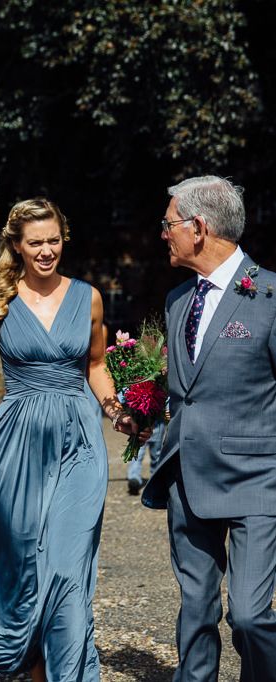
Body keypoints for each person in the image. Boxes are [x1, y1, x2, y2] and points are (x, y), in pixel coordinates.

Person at [0, 199, 141, 681]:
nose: (46, 251)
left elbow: (96, 366)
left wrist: (117, 410)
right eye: (35, 242)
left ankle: (70, 672)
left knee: (65, 563)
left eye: (53, 240)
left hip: (79, 439)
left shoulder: (89, 297)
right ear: (16, 245)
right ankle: (35, 667)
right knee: (21, 565)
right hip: (16, 445)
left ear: (64, 238)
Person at [143, 176, 276, 681]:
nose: (163, 234)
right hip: (187, 475)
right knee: (196, 611)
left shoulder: (270, 295)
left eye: (169, 224)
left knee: (249, 614)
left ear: (198, 227)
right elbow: (187, 390)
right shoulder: (179, 299)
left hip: (257, 480)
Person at [127, 420, 165, 495]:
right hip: (140, 424)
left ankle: (155, 479)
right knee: (137, 453)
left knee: (156, 455)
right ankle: (134, 478)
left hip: (158, 425)